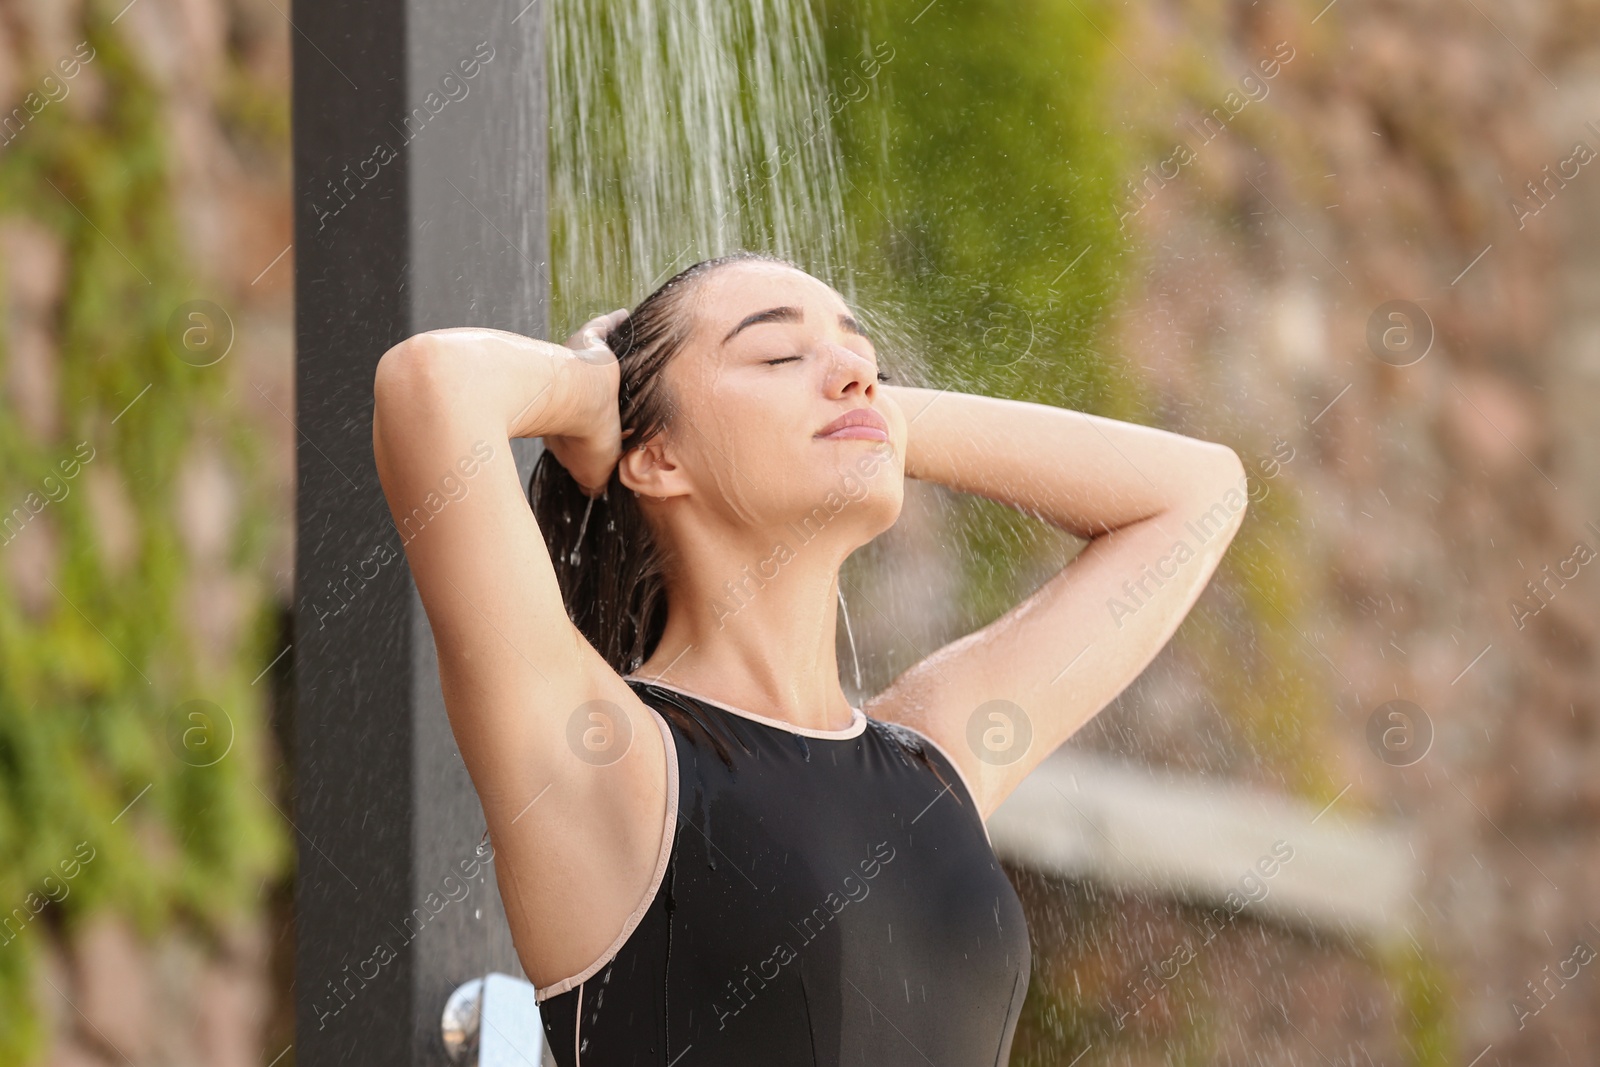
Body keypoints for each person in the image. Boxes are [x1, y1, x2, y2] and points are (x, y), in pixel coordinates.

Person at [371, 249, 1247, 1064]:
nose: (854, 373)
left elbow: (1199, 494)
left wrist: (877, 417)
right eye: (779, 357)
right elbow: (433, 386)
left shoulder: (932, 756)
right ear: (658, 456)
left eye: (864, 354)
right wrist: (594, 387)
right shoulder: (608, 763)